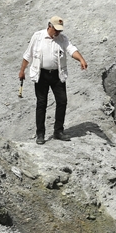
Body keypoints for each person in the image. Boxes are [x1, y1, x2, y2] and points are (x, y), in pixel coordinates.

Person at [19, 15, 88, 144]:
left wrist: (81, 59)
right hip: (41, 75)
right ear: (49, 26)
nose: (58, 32)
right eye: (56, 29)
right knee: (41, 103)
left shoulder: (62, 39)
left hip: (57, 74)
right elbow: (28, 54)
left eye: (60, 30)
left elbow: (71, 49)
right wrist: (22, 70)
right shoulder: (38, 36)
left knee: (62, 101)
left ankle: (58, 131)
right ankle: (40, 134)